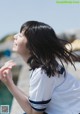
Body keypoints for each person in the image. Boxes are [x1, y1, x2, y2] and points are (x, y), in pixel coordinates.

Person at [0, 21, 80, 114]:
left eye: (21, 35)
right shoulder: (47, 66)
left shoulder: (42, 72)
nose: (15, 36)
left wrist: (9, 84)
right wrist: (10, 82)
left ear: (34, 45)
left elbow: (34, 112)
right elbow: (34, 105)